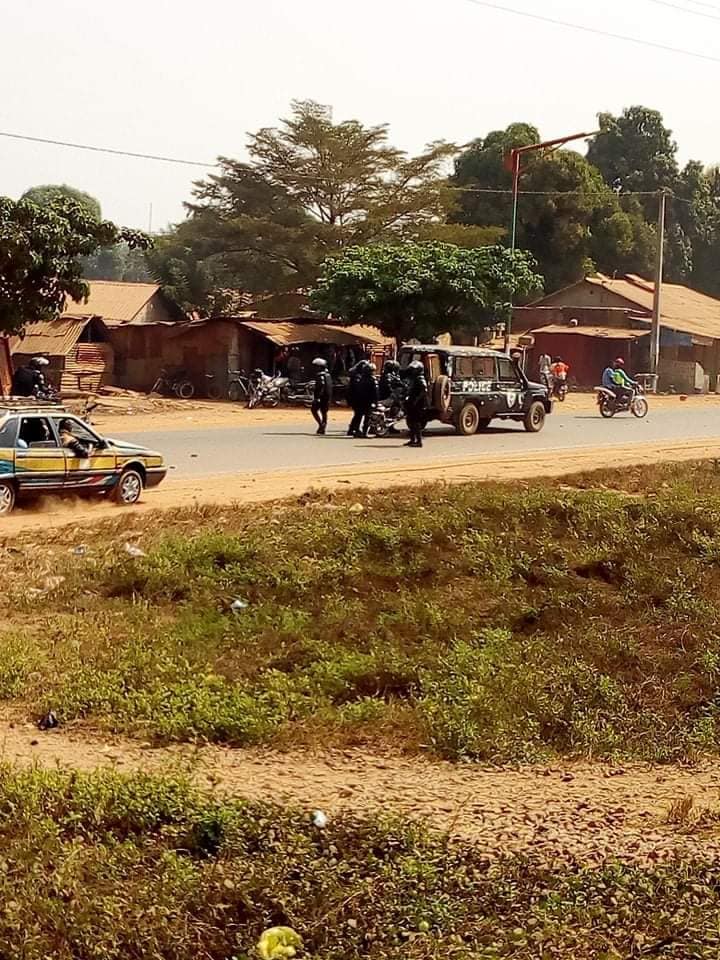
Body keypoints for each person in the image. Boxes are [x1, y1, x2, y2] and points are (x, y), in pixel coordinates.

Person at [347, 361, 378, 437]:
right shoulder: (371, 379)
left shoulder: (360, 378)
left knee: (358, 415)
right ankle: (363, 432)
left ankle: (354, 429)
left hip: (359, 400)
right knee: (367, 417)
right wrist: (375, 402)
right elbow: (375, 393)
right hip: (367, 401)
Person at [404, 360, 429, 448]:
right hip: (412, 403)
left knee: (416, 423)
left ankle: (418, 441)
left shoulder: (420, 379)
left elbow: (424, 391)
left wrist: (416, 400)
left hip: (418, 405)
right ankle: (412, 439)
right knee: (410, 421)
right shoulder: (413, 379)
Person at [310, 357, 332, 435]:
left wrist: (318, 397)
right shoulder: (328, 375)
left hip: (322, 397)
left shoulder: (321, 376)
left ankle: (321, 425)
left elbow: (321, 386)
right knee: (324, 412)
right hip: (327, 397)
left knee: (314, 410)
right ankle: (323, 425)